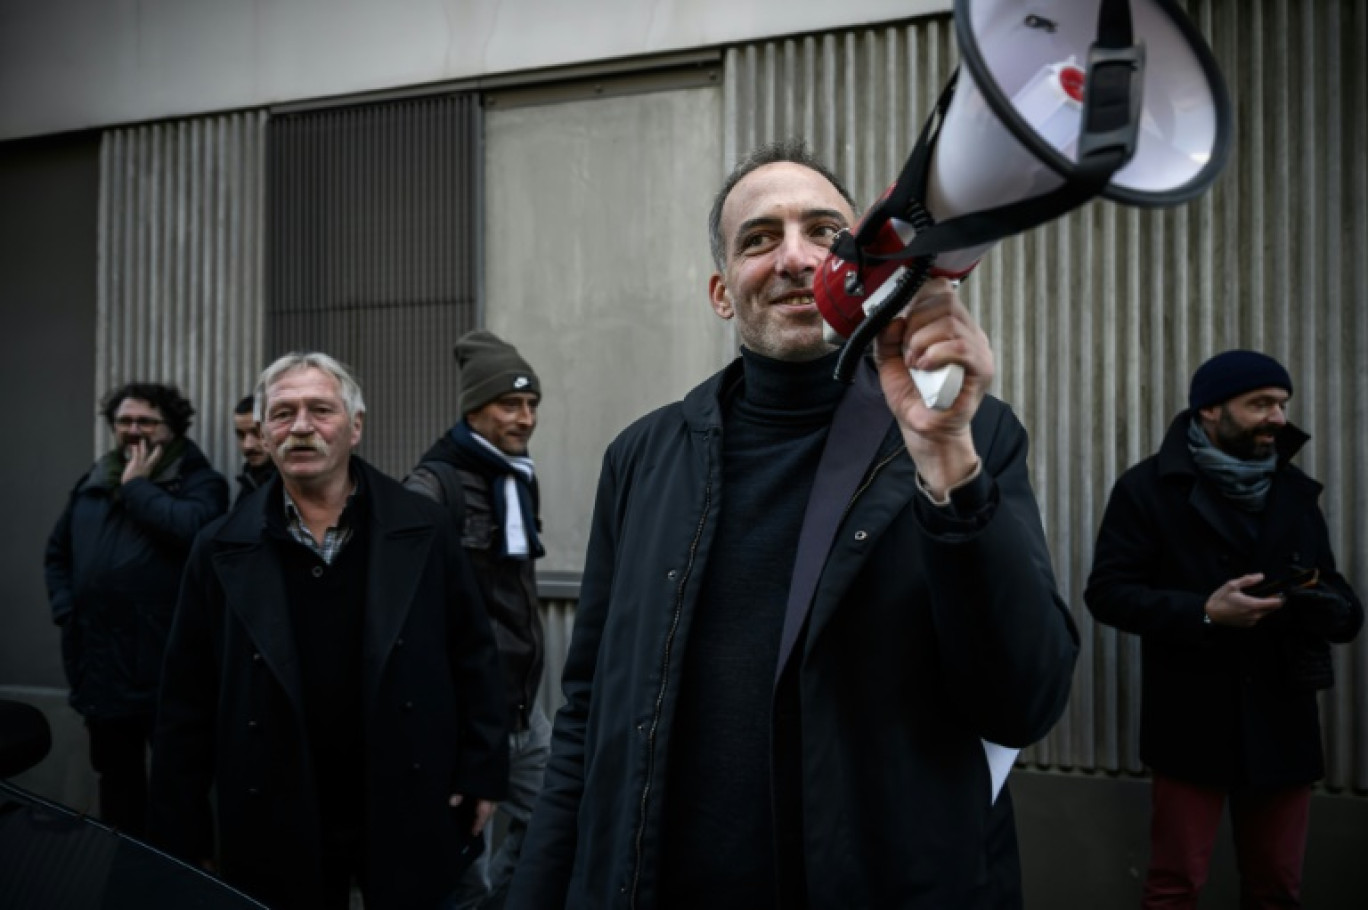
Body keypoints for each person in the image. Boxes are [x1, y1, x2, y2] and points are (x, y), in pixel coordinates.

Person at [506, 140, 1079, 909]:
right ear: (720, 292)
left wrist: (948, 463)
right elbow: (586, 718)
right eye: (759, 239)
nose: (796, 258)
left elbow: (1024, 700)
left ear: (866, 267)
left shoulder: (970, 434)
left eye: (824, 233)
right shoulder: (643, 456)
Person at [148, 352, 509, 910]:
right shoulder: (219, 546)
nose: (300, 427)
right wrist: (184, 826)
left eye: (320, 410)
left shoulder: (424, 527)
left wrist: (483, 769)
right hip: (274, 800)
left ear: (355, 426)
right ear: (264, 434)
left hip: (402, 787)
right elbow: (184, 699)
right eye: (282, 413)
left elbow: (473, 654)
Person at [1085, 349, 1362, 909]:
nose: (1279, 419)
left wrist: (1319, 603)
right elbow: (1107, 593)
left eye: (1281, 405)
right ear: (1210, 410)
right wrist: (1207, 613)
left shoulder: (1293, 490)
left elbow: (1340, 598)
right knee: (1175, 886)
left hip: (1283, 718)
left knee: (1277, 889)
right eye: (1260, 404)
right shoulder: (1148, 488)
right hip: (1192, 717)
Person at [43, 382, 228, 837]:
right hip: (100, 663)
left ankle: (183, 879)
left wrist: (139, 489)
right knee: (116, 781)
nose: (133, 430)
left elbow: (193, 532)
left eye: (146, 421)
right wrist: (68, 610)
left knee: (178, 786)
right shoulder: (93, 480)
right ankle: (123, 876)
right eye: (124, 421)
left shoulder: (201, 483)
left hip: (163, 665)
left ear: (172, 427)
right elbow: (57, 553)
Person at [405, 330, 550, 910]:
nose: (525, 418)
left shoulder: (515, 476)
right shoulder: (431, 487)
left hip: (522, 707)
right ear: (473, 407)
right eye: (510, 404)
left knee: (559, 823)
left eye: (532, 404)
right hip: (467, 722)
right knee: (464, 868)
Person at [231, 393, 275, 506]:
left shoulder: (292, 487)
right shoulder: (250, 482)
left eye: (257, 433)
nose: (247, 445)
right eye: (241, 435)